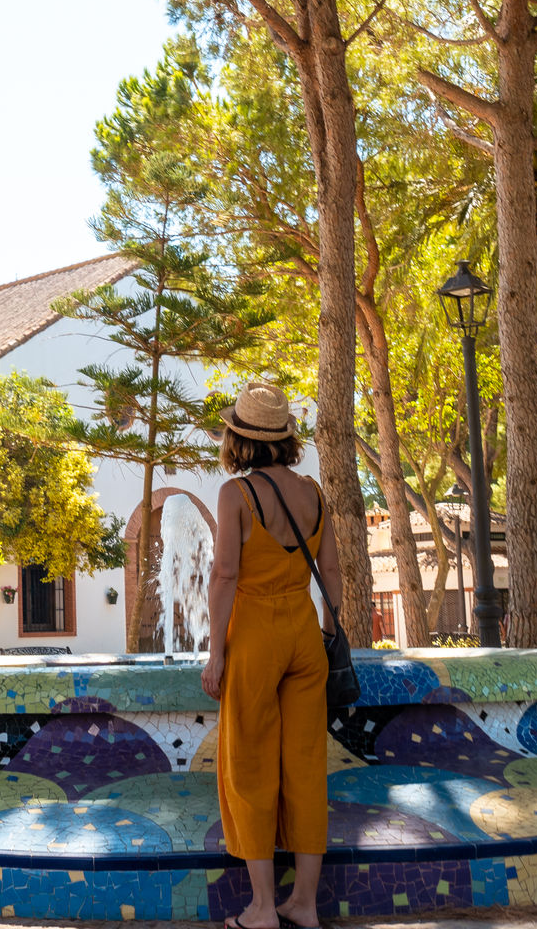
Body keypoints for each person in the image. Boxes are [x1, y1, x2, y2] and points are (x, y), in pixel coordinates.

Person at [202, 381, 340, 929]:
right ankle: (304, 903)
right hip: (305, 635)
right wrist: (332, 632)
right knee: (307, 766)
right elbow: (330, 572)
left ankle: (263, 907)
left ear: (239, 439)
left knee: (252, 764)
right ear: (284, 439)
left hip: (255, 636)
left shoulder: (236, 495)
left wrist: (216, 654)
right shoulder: (313, 492)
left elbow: (225, 575)